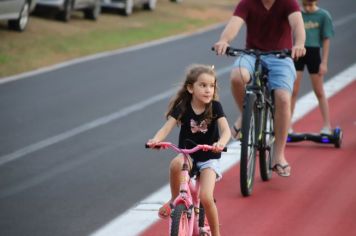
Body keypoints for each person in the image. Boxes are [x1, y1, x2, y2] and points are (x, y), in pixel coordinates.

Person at [213, 0, 306, 177]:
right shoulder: (247, 3)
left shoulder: (288, 3)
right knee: (237, 76)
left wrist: (299, 44)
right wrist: (224, 40)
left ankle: (278, 155)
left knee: (283, 98)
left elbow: (297, 25)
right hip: (251, 54)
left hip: (281, 56)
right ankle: (246, 114)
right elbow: (234, 24)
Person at [147, 64, 231, 236]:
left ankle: (216, 234)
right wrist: (156, 140)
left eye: (211, 86)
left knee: (206, 197)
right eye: (203, 85)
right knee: (175, 164)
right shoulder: (183, 107)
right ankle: (173, 200)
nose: (208, 90)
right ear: (190, 88)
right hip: (189, 155)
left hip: (209, 156)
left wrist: (221, 143)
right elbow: (166, 128)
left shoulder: (215, 107)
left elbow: (226, 131)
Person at [291, 0, 334, 135]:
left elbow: (326, 38)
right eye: (306, 5)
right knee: (293, 91)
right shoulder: (296, 13)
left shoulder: (323, 15)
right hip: (298, 52)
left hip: (314, 53)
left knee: (319, 91)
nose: (308, 8)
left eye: (310, 5)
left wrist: (324, 62)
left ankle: (327, 125)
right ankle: (287, 126)